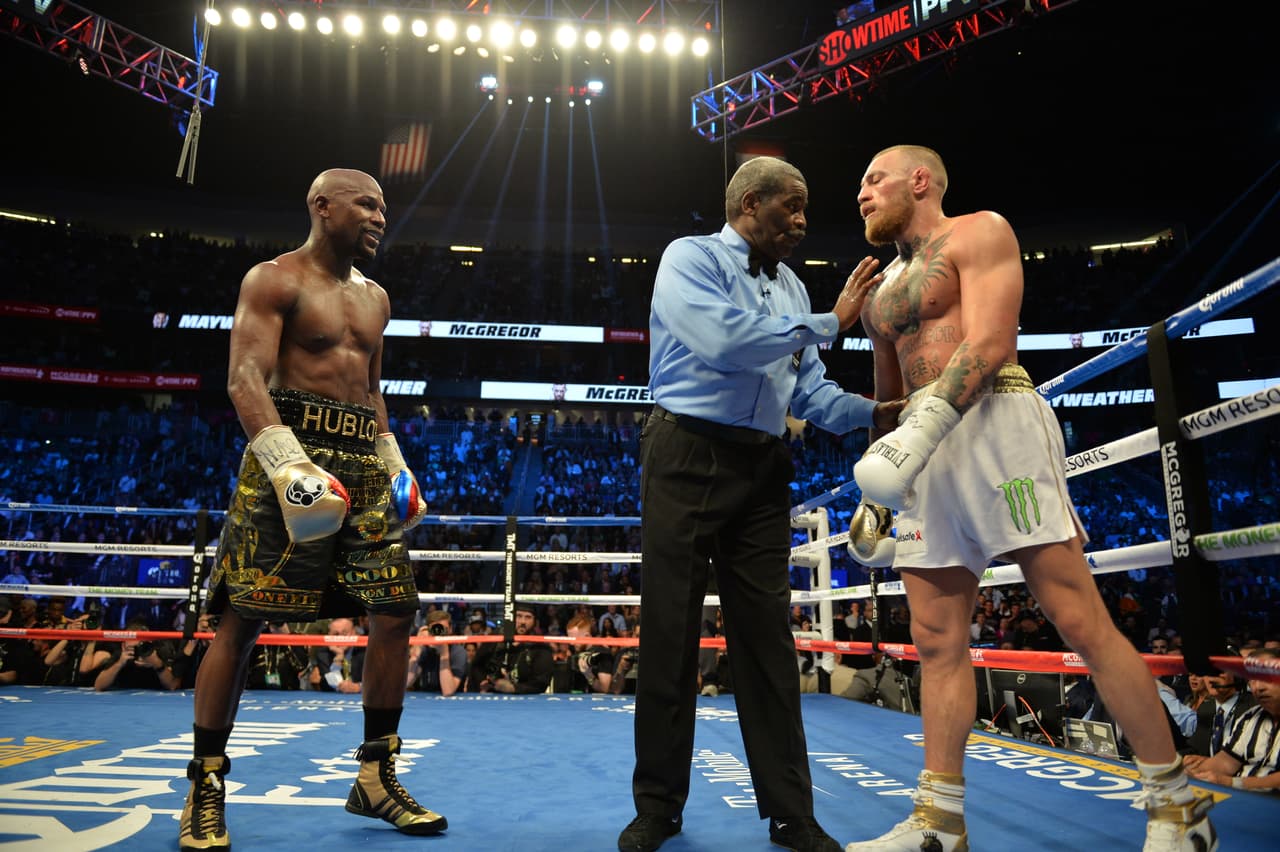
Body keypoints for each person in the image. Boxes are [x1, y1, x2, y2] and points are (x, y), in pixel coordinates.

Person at [845, 145, 1216, 851]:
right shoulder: (879, 295)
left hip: (995, 422)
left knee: (1079, 617)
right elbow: (889, 395)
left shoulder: (980, 231)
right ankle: (939, 823)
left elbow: (990, 341)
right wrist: (879, 485)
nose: (861, 194)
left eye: (873, 179)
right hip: (923, 450)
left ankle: (1178, 806)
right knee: (935, 639)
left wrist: (919, 432)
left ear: (919, 180)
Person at [619, 155, 901, 852]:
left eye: (805, 209)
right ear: (749, 203)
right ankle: (658, 808)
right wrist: (829, 321)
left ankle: (791, 814)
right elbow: (723, 341)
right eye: (790, 207)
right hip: (685, 452)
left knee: (768, 640)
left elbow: (809, 392)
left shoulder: (792, 287)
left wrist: (874, 412)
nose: (802, 221)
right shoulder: (689, 258)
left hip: (762, 463)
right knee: (670, 633)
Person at [183, 168, 445, 851]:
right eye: (367, 204)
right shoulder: (274, 279)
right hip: (289, 450)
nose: (380, 217)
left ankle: (376, 779)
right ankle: (205, 787)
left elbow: (372, 389)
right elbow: (244, 376)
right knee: (243, 619)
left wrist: (396, 463)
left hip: (362, 461)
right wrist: (286, 464)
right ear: (323, 206)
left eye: (384, 207)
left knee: (395, 610)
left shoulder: (377, 298)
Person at [1184, 648, 1280, 792]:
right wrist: (1189, 773)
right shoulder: (1251, 717)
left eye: (1267, 677)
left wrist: (1232, 783)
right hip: (1243, 798)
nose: (1258, 687)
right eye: (1253, 679)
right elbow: (1225, 762)